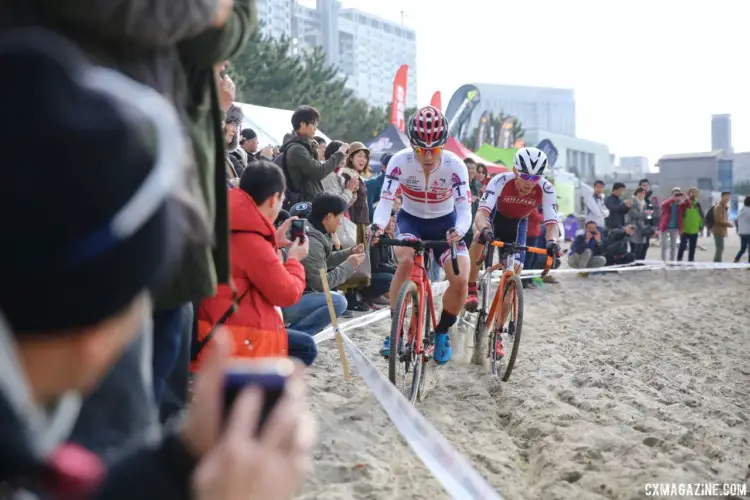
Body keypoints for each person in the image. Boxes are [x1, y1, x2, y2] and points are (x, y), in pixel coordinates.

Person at [370, 106, 472, 365]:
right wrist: (378, 226)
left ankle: (441, 333)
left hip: (445, 223)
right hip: (411, 220)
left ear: (443, 145)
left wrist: (458, 231)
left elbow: (464, 209)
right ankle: (396, 331)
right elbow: (385, 202)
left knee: (461, 278)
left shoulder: (455, 166)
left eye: (434, 149)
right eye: (420, 150)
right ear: (412, 145)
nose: (427, 156)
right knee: (405, 259)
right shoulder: (399, 162)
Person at [195, 161, 318, 368]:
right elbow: (287, 294)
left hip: (210, 323)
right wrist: (294, 260)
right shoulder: (251, 240)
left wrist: (273, 242)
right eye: (281, 199)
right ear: (273, 200)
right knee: (306, 347)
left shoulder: (228, 218)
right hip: (233, 334)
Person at [465, 147, 560, 356]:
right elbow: (481, 215)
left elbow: (552, 223)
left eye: (535, 177)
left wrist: (553, 242)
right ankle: (471, 288)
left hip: (517, 225)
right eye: (525, 175)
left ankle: (497, 334)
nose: (529, 182)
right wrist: (485, 230)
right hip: (494, 219)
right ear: (515, 171)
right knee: (478, 238)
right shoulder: (500, 181)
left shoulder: (546, 188)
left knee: (512, 278)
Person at [282, 195, 353, 334]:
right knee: (338, 302)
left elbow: (322, 261)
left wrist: (349, 253)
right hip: (287, 303)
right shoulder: (312, 241)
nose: (340, 223)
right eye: (340, 217)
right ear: (329, 217)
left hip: (296, 295)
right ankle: (293, 338)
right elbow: (322, 284)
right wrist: (349, 266)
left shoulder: (316, 231)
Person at [279, 105, 348, 203]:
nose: (315, 128)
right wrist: (340, 153)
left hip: (310, 201)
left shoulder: (304, 146)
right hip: (305, 203)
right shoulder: (296, 149)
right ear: (303, 124)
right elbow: (319, 171)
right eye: (313, 124)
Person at [658, 187, 689, 261]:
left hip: (674, 227)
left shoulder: (681, 204)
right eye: (675, 194)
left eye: (678, 194)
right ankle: (663, 261)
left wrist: (686, 197)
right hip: (665, 227)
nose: (677, 196)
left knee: (673, 246)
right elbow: (662, 205)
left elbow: (689, 205)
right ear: (672, 195)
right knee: (664, 246)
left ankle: (672, 261)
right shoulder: (668, 202)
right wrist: (672, 199)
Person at [677, 187, 704, 262]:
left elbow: (701, 216)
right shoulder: (684, 203)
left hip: (694, 229)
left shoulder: (698, 204)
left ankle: (691, 261)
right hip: (685, 229)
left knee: (692, 247)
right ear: (689, 194)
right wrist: (680, 228)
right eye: (692, 192)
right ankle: (679, 260)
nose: (694, 194)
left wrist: (701, 225)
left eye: (695, 192)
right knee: (682, 246)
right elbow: (680, 216)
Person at [626, 187, 650, 260]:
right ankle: (632, 262)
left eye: (644, 193)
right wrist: (645, 213)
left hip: (641, 227)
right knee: (634, 247)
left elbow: (644, 216)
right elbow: (634, 214)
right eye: (641, 193)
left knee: (641, 247)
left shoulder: (644, 203)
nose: (642, 194)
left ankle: (638, 263)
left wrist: (648, 214)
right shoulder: (633, 201)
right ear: (637, 193)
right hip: (634, 226)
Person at [710, 191, 734, 262]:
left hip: (721, 230)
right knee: (720, 248)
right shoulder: (719, 206)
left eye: (728, 197)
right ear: (722, 197)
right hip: (718, 230)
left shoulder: (724, 207)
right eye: (726, 196)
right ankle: (717, 264)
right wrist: (728, 224)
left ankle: (717, 263)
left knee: (720, 248)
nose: (727, 198)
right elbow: (717, 220)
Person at [734, 196, 750, 263]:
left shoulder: (742, 210)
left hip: (742, 232)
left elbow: (737, 221)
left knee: (743, 248)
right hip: (748, 232)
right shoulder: (749, 210)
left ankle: (736, 259)